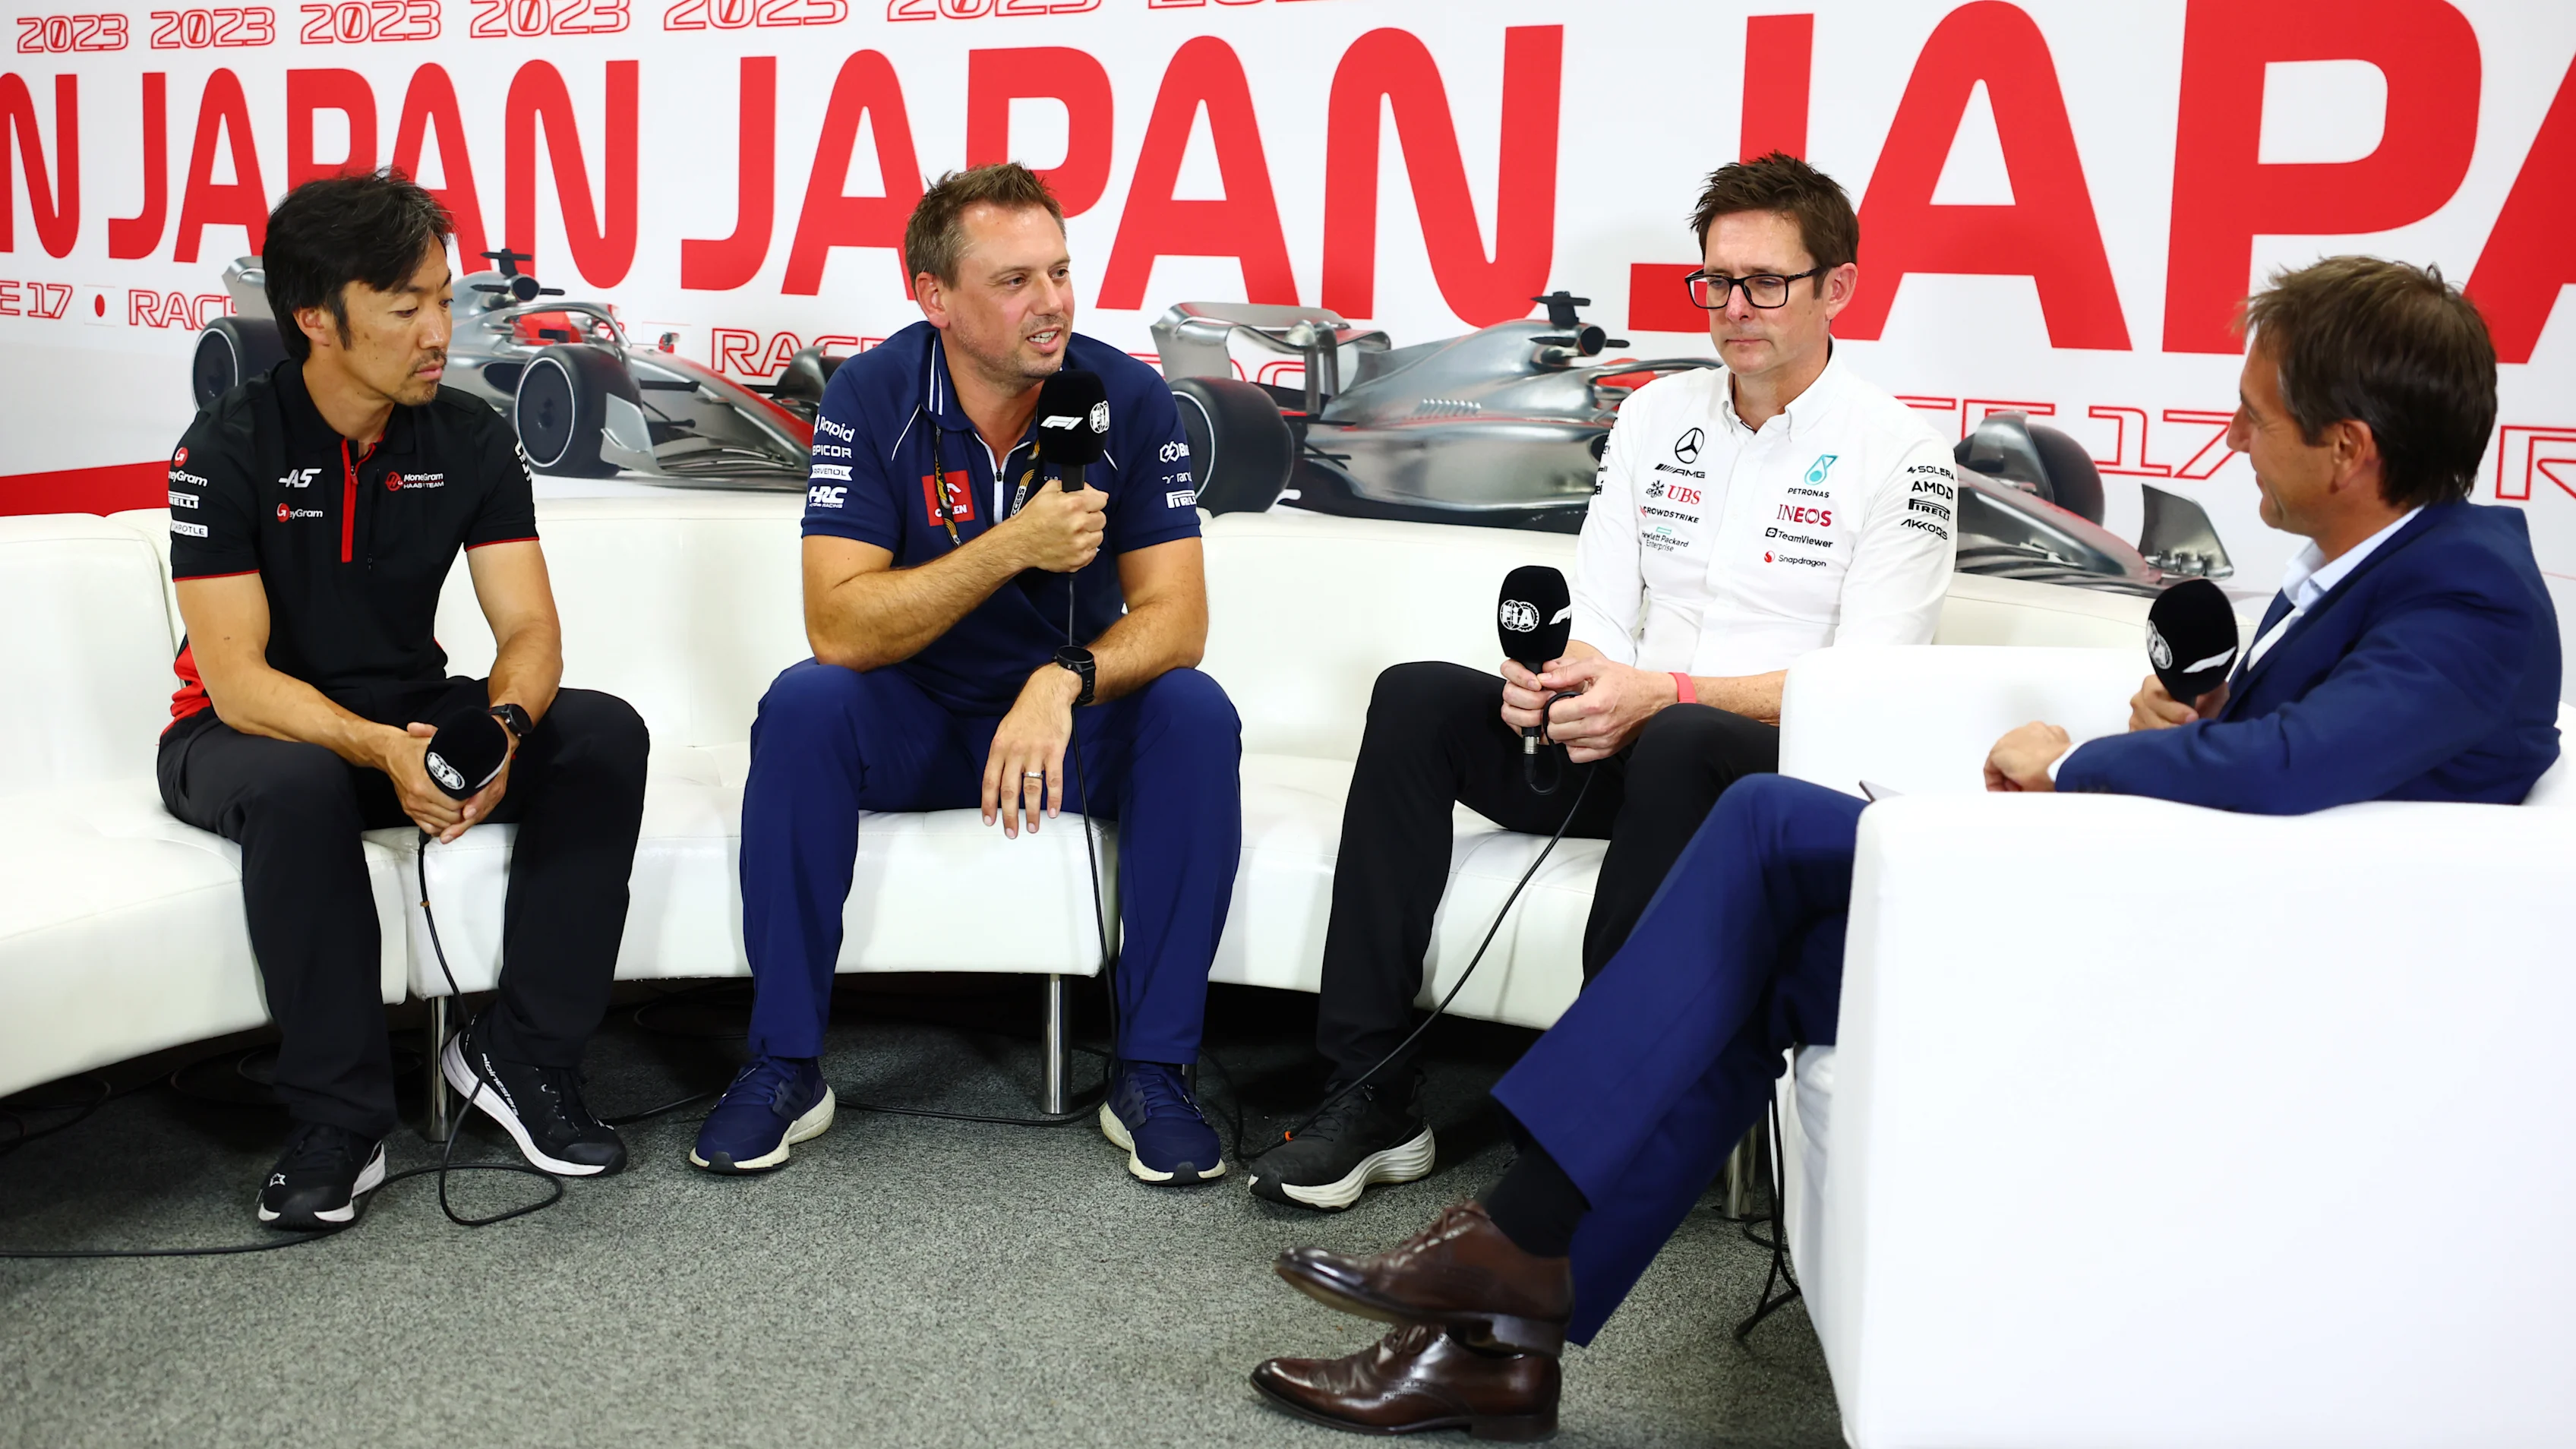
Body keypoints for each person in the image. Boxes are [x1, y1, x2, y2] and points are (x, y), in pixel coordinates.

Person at [1249, 254, 2562, 1436]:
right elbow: (2310, 750)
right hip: (2174, 903)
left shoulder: (2469, 596)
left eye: (2257, 419)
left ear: (2350, 447)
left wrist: (2089, 759)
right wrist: (2192, 718)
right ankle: (1498, 1341)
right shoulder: (2387, 568)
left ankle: (1512, 1241)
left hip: (2200, 968)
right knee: (1762, 950)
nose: (2231, 437)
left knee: (1761, 819)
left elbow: (2295, 770)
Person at [1250, 153, 1959, 1211]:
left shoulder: (1900, 451)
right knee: (1415, 698)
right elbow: (1606, 609)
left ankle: (1594, 1124)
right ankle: (1372, 1093)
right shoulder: (1656, 415)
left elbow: (1871, 681)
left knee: (1679, 739)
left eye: (1766, 282)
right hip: (1630, 735)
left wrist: (1664, 692)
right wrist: (1564, 683)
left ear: (1837, 289)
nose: (1734, 308)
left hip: (1768, 774)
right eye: (1716, 281)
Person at [690, 164, 1241, 1185]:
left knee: (1194, 714)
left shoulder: (1126, 394)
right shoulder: (874, 393)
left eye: (1063, 273)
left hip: (1063, 720)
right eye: (1016, 281)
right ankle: (784, 1065)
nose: (1054, 304)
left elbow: (1179, 621)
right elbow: (840, 627)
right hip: (924, 719)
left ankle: (1154, 1071)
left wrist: (1065, 678)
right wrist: (1013, 543)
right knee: (805, 703)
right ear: (933, 296)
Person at [159, 172, 652, 1231]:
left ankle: (522, 1059)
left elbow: (529, 633)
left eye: (443, 298)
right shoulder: (227, 446)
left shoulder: (469, 437)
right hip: (250, 732)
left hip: (408, 712)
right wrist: (380, 748)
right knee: (296, 787)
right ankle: (339, 1120)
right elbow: (237, 678)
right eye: (405, 305)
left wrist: (500, 734)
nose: (438, 330)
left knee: (604, 734)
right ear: (315, 319)